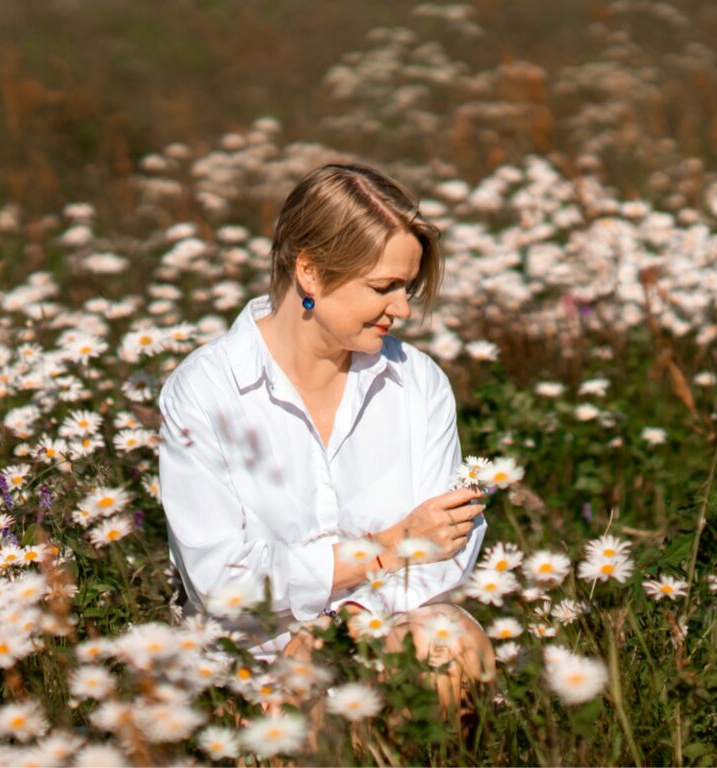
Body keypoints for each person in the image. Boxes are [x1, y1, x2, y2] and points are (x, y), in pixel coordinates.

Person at [158, 163, 495, 718]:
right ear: (310, 273)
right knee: (310, 689)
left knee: (450, 643)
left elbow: (449, 549)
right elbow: (222, 583)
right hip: (256, 662)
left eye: (407, 289)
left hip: (386, 633)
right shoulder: (208, 390)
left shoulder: (418, 383)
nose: (403, 309)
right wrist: (386, 548)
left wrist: (344, 622)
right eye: (383, 287)